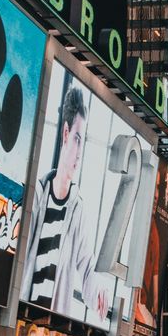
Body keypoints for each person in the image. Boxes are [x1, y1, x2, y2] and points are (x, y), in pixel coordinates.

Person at [20, 84, 108, 322]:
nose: (79, 153)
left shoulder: (78, 211)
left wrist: (100, 292)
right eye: (77, 139)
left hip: (50, 328)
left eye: (83, 143)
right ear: (66, 134)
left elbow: (87, 268)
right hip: (20, 315)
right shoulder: (36, 195)